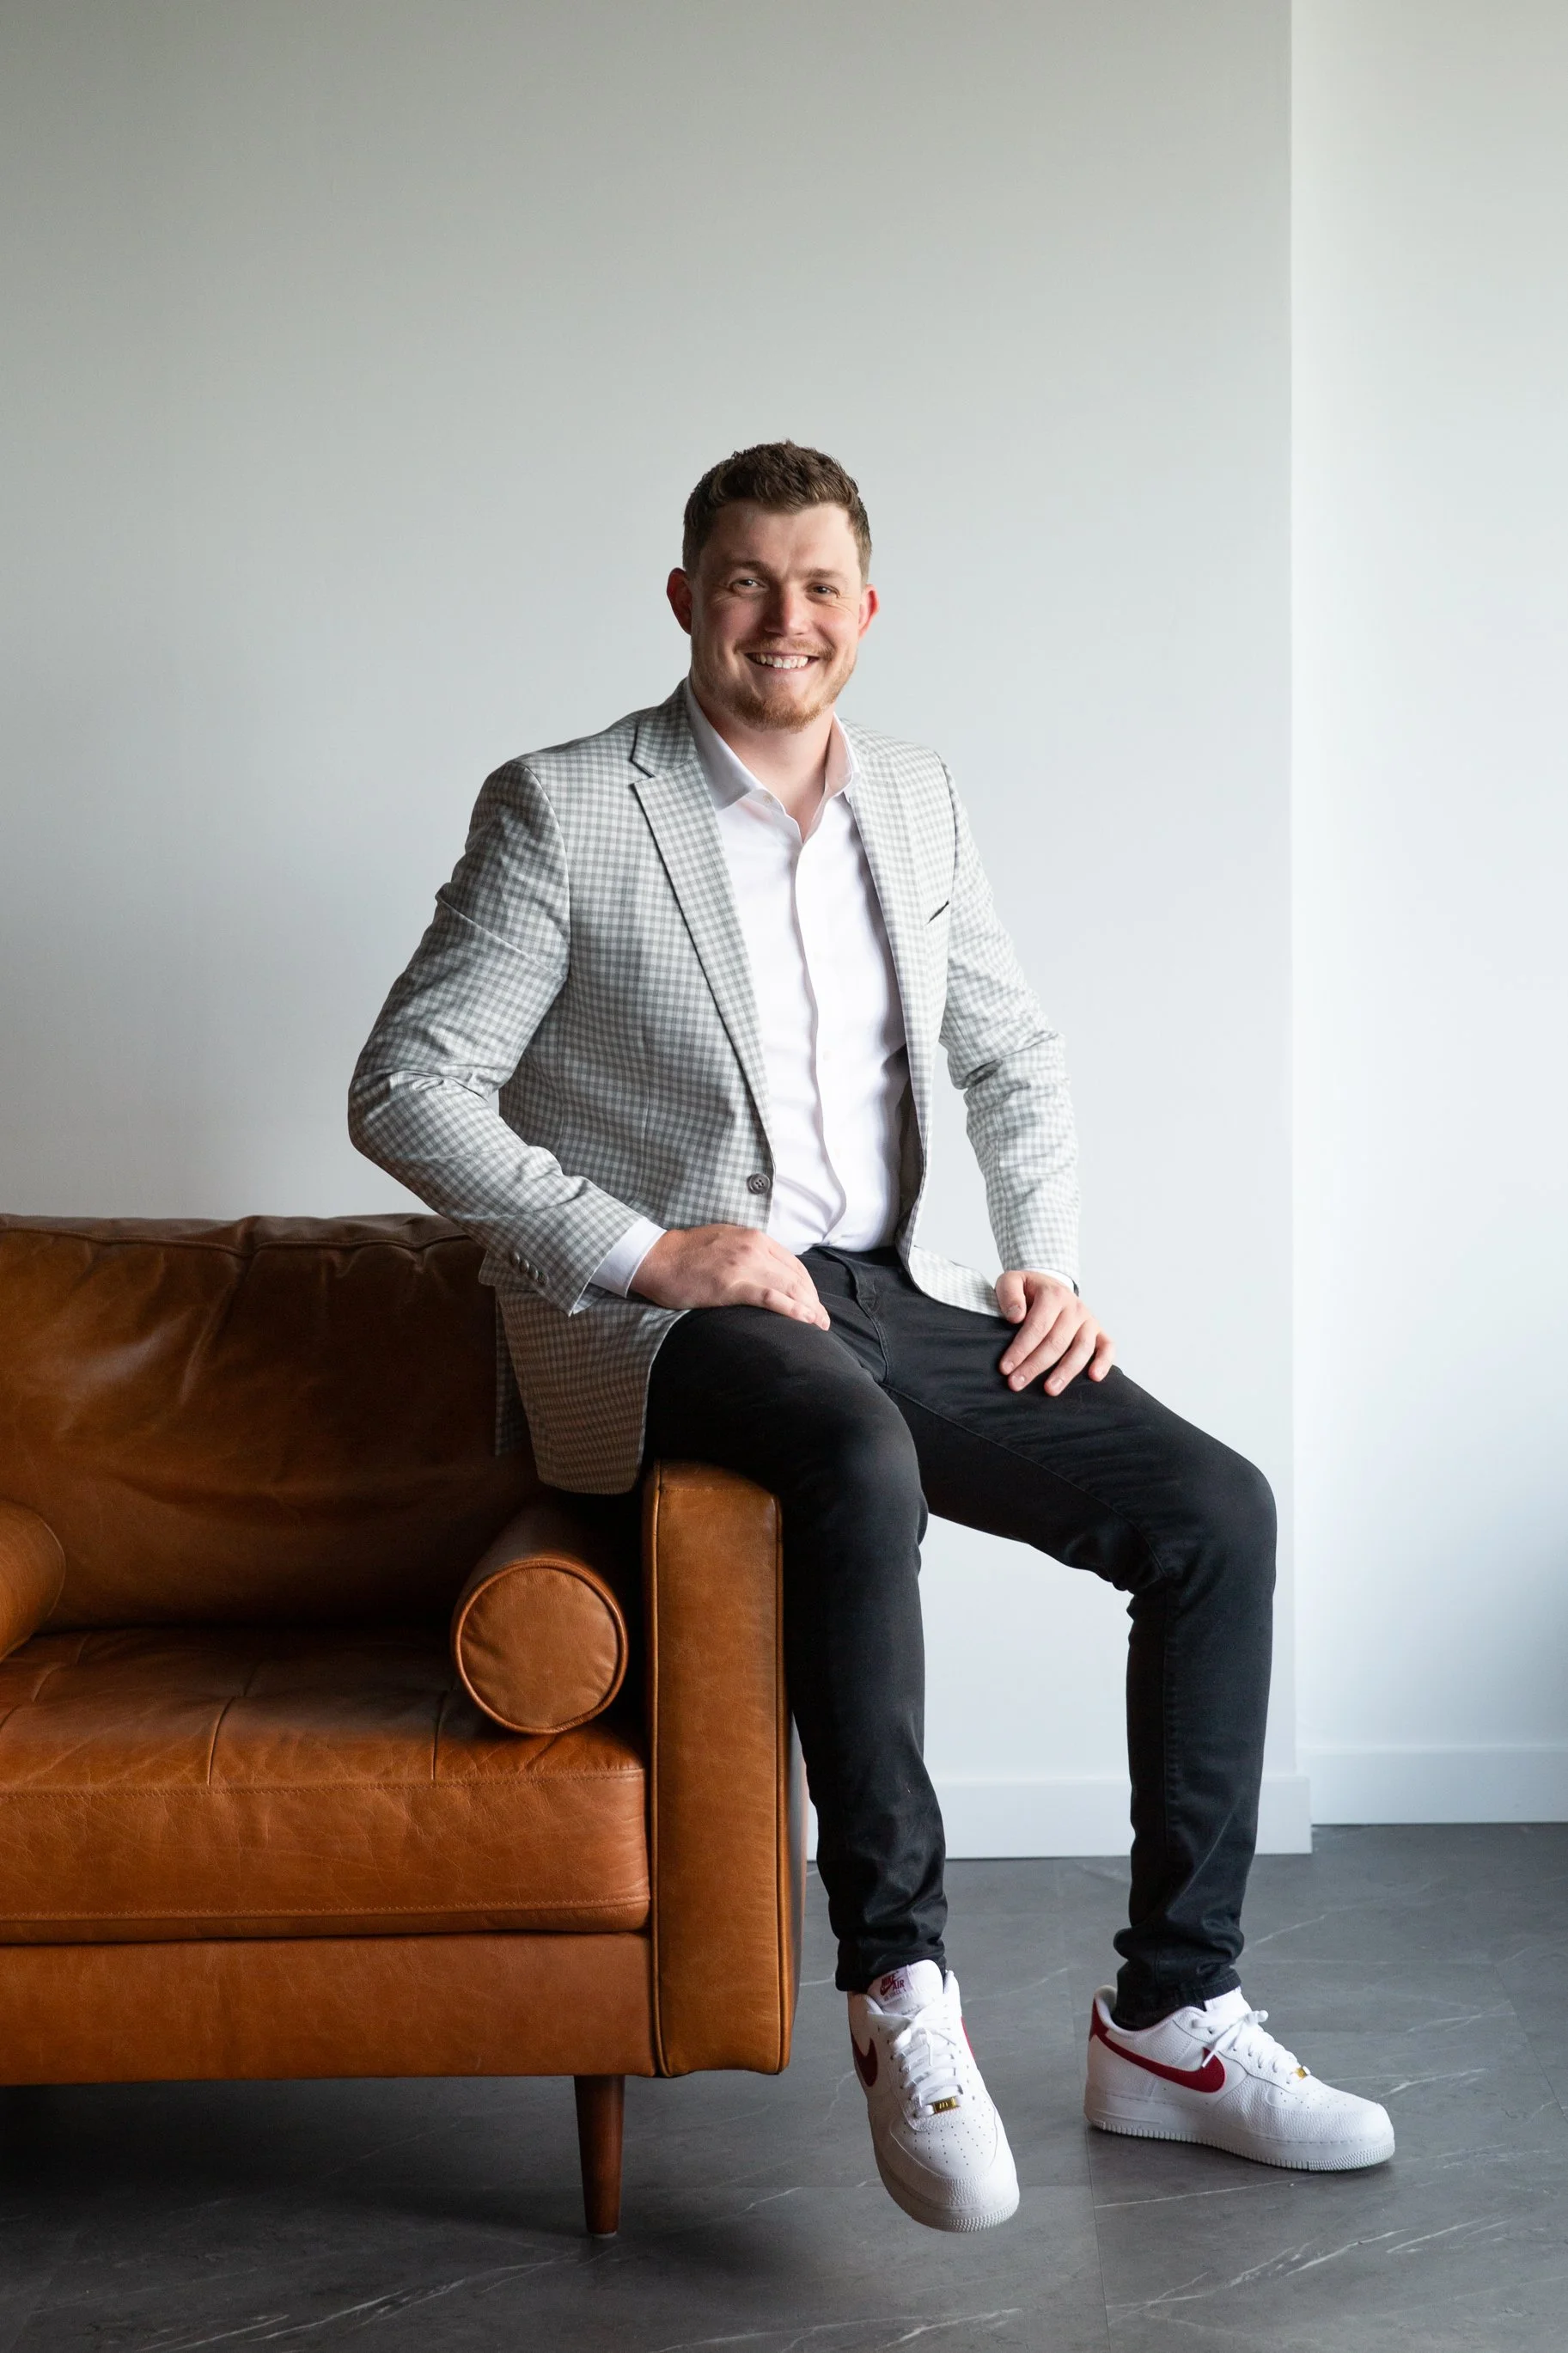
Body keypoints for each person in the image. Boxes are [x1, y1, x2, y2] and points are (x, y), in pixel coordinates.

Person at [350, 441, 1394, 2233]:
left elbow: (1013, 1052)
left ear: (868, 608)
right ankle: (900, 1982)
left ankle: (1169, 2019)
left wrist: (1045, 1257)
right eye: (747, 581)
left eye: (820, 585)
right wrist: (646, 1247)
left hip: (889, 1292)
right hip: (664, 1319)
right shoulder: (566, 804)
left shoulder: (914, 802)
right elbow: (407, 1084)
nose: (785, 618)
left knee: (1215, 1509)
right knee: (852, 1447)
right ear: (686, 599)